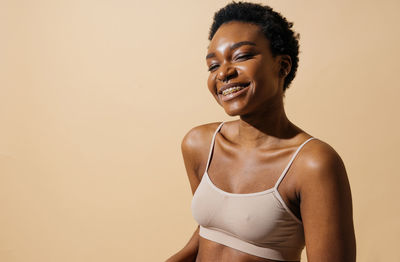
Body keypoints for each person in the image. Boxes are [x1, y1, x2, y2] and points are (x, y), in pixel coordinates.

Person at [166, 2, 356, 262]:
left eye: (242, 56)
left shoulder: (312, 164)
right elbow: (210, 231)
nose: (223, 73)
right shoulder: (199, 144)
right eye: (213, 65)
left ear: (283, 66)